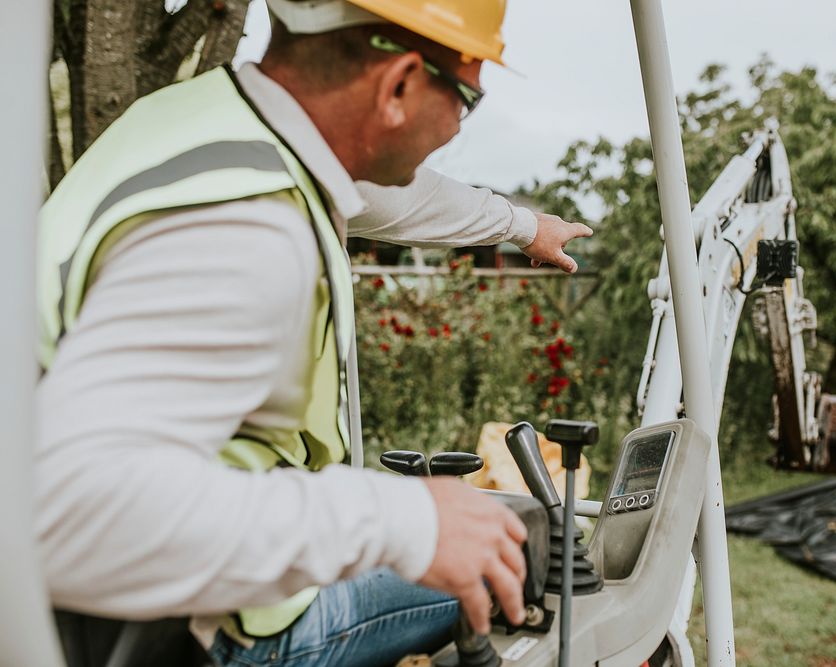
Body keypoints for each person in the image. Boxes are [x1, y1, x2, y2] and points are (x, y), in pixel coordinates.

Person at [35, 0, 591, 665]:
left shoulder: (213, 130)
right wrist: (405, 519)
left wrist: (524, 226)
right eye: (467, 96)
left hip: (133, 601)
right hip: (187, 625)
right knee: (508, 554)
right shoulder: (245, 224)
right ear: (400, 86)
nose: (457, 124)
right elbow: (74, 514)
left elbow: (400, 197)